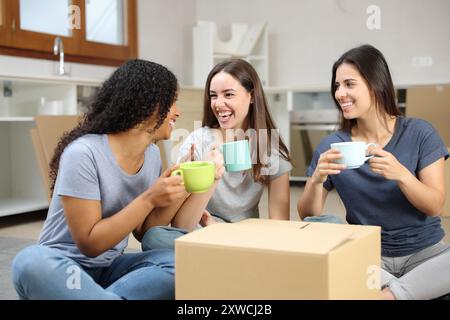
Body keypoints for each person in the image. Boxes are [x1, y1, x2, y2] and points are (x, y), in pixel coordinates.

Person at [11, 59, 218, 300]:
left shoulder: (150, 155)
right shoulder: (83, 153)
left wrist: (176, 189)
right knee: (29, 261)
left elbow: (145, 231)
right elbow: (90, 243)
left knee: (180, 263)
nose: (177, 112)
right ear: (148, 104)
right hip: (63, 269)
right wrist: (150, 198)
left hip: (110, 270)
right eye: (171, 103)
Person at [297, 44, 450, 300]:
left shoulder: (420, 132)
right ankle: (408, 291)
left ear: (376, 84)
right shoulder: (332, 146)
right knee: (320, 246)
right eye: (337, 86)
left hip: (426, 254)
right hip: (368, 255)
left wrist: (401, 175)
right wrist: (316, 179)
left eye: (349, 84)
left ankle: (389, 295)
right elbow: (308, 215)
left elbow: (435, 206)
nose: (340, 93)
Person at [141, 59, 292, 251]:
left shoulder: (270, 150)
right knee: (155, 238)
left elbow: (279, 228)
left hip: (245, 237)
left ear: (252, 96)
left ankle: (219, 259)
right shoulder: (198, 142)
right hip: (201, 234)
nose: (219, 104)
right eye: (213, 96)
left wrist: (223, 231)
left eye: (228, 94)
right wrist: (207, 176)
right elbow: (182, 225)